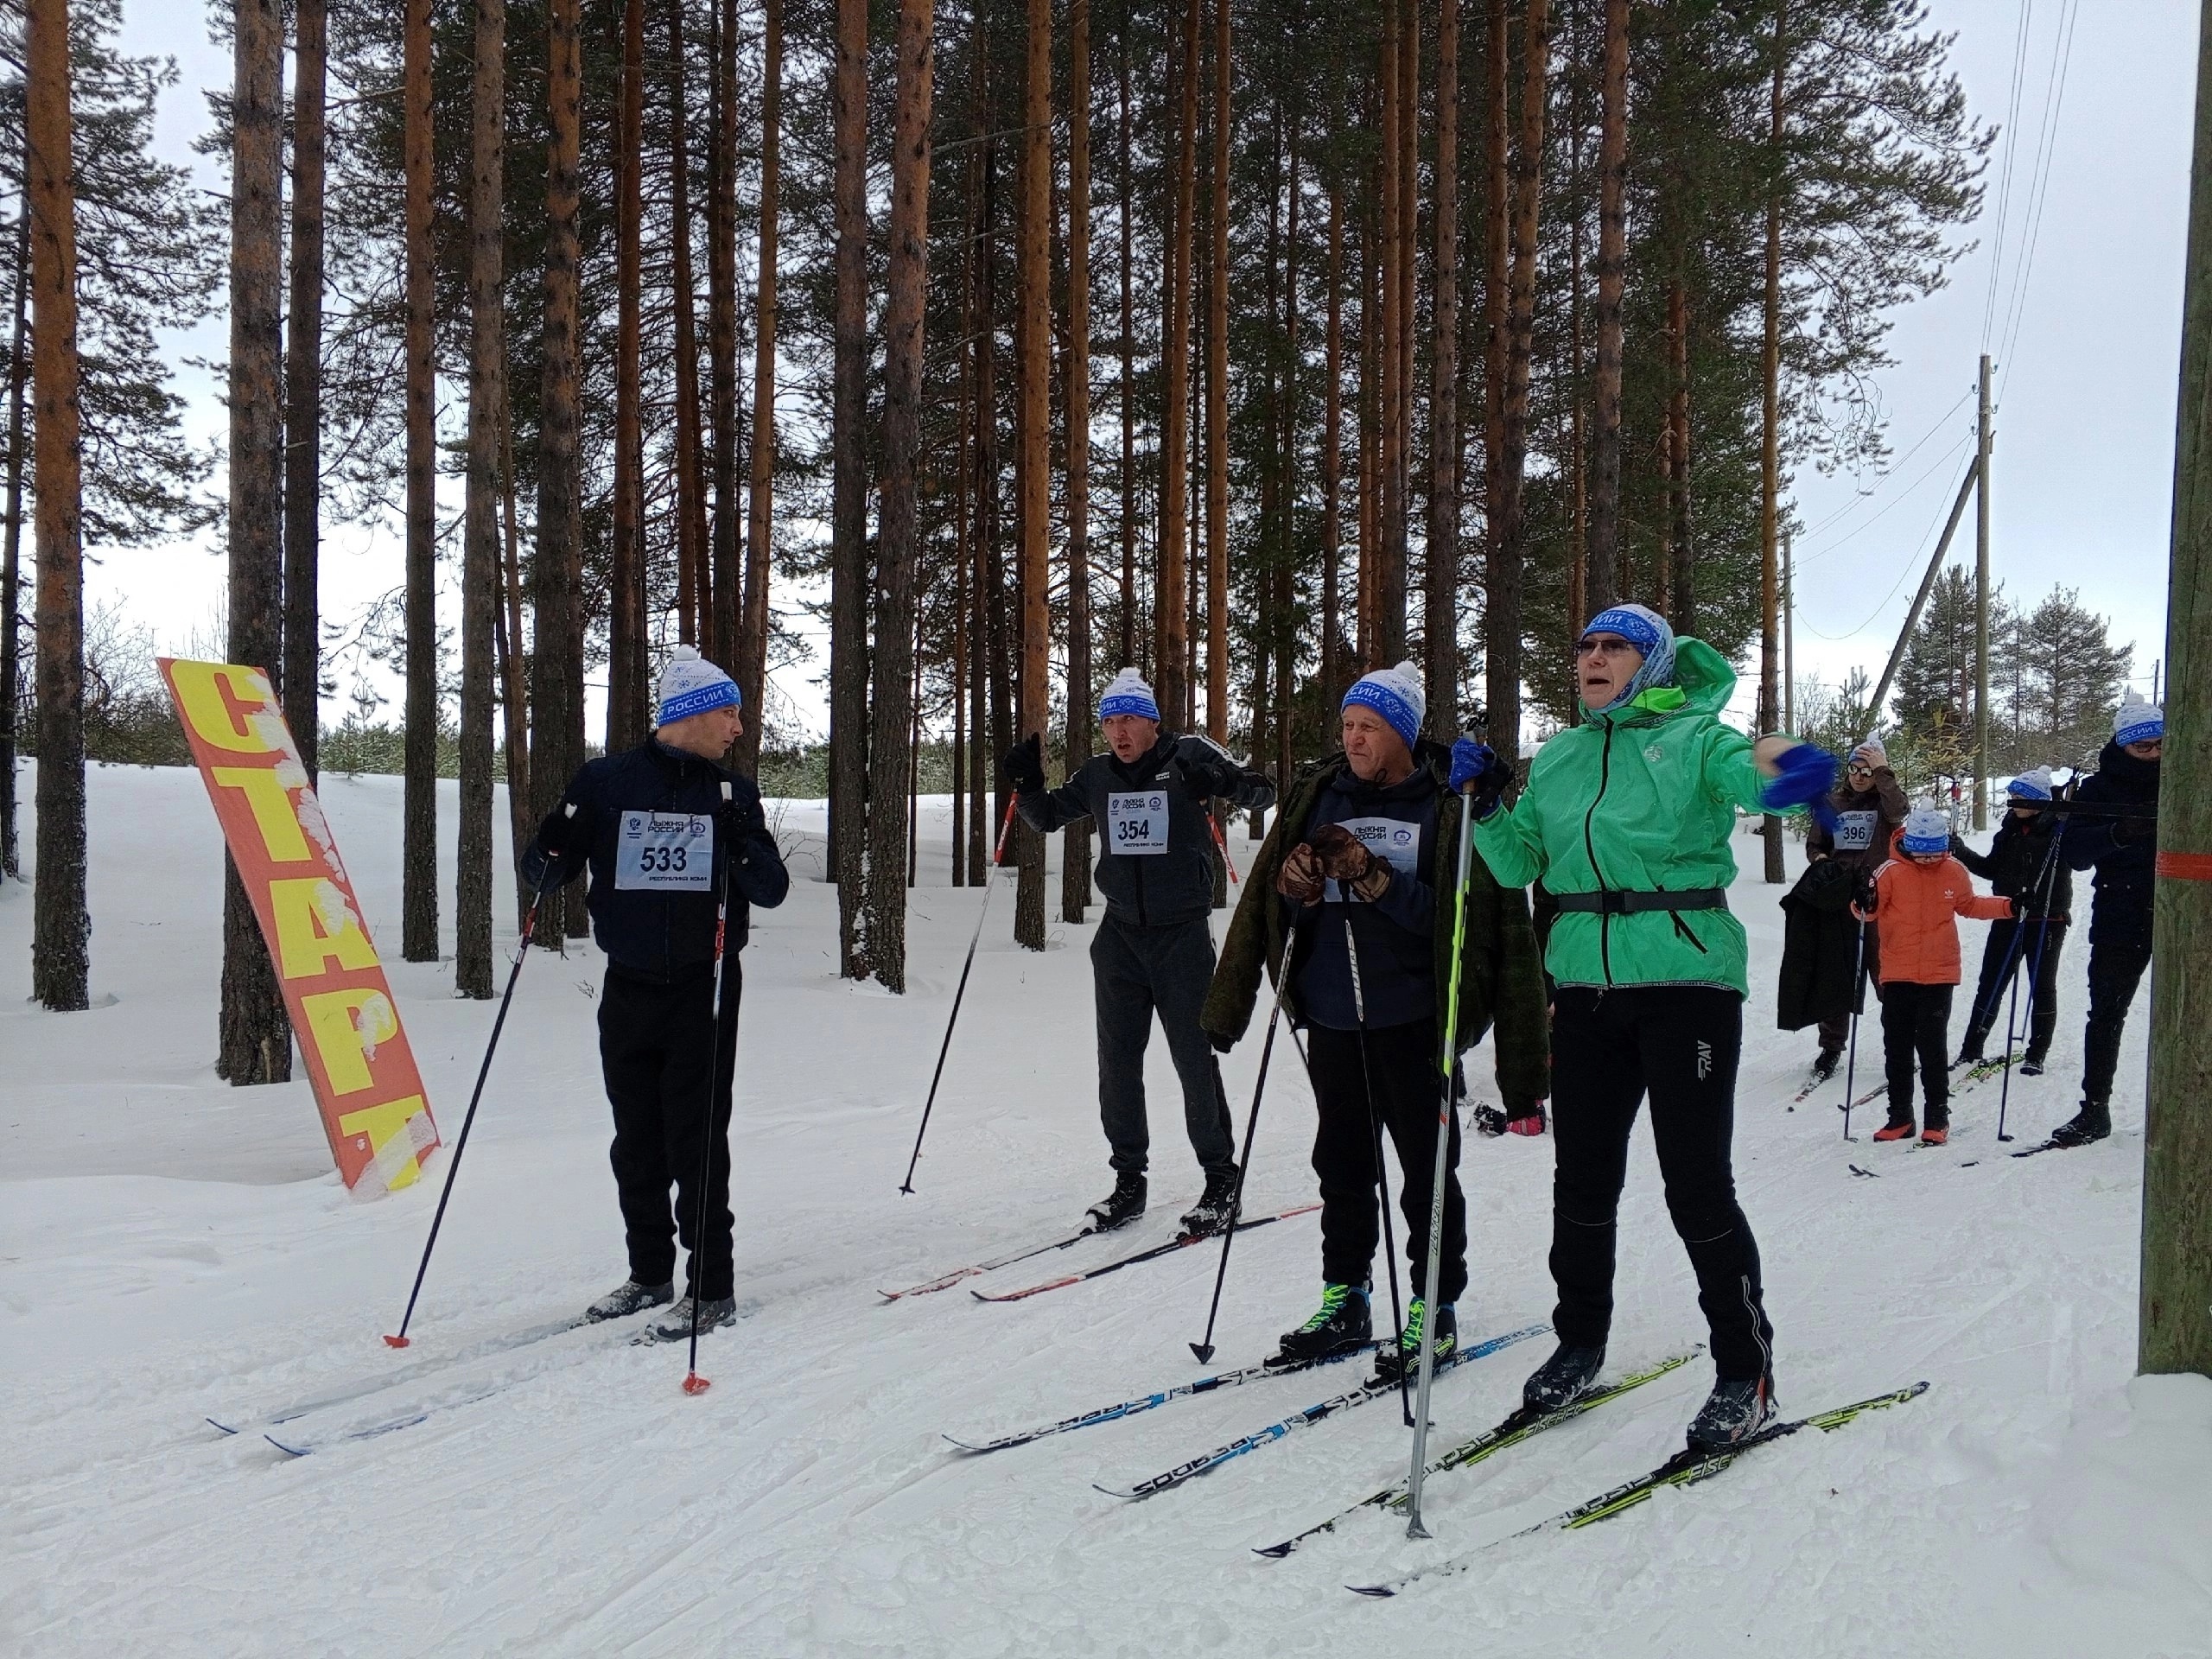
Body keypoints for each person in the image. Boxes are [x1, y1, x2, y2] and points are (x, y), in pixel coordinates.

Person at [1455, 604, 1839, 1451]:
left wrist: (1793, 765)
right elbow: (1522, 864)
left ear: (1652, 662)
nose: (1593, 657)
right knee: (1581, 1183)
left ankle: (1745, 1369)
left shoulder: (1697, 738)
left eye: (1613, 646)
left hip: (1684, 980)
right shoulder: (1557, 756)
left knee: (1694, 1184)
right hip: (1586, 985)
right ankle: (1578, 1342)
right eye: (1584, 644)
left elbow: (1759, 778)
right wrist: (1486, 806)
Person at [1202, 662, 1549, 1382]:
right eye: (1348, 726)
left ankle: (1434, 1306)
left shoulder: (1444, 803)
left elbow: (1454, 924)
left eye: (1369, 727)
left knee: (1426, 1168)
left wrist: (1377, 880)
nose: (1353, 738)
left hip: (1414, 1014)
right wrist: (1297, 890)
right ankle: (1347, 1296)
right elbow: (1274, 906)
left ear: (1402, 733)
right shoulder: (1321, 792)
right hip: (1331, 1011)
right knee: (1342, 1163)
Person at [521, 647, 790, 1341]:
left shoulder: (732, 795)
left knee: (698, 1137)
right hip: (629, 987)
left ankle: (712, 1287)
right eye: (729, 713)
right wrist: (546, 848)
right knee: (635, 1140)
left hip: (705, 986)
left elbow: (772, 889)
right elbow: (546, 877)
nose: (738, 728)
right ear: (691, 714)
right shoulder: (606, 783)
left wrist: (742, 846)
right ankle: (648, 1275)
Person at [1007, 668, 1276, 1236]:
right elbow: (1049, 816)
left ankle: (1220, 1179)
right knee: (1117, 1064)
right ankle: (1129, 1182)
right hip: (1121, 939)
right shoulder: (1099, 774)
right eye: (1109, 720)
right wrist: (1028, 786)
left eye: (1129, 718)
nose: (1118, 731)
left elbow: (1263, 791)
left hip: (1182, 938)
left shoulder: (1189, 755)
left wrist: (1222, 783)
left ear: (1152, 721)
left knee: (1192, 1061)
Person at [1853, 809, 2013, 1146]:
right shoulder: (1890, 870)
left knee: (1932, 1047)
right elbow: (1867, 911)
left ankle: (1937, 1117)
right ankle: (1900, 1117)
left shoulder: (1953, 870)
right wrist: (1862, 900)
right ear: (1909, 843)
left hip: (1939, 974)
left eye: (1934, 852)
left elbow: (1969, 905)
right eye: (1921, 851)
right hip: (1898, 973)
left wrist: (2009, 906)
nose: (1927, 859)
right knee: (1896, 1048)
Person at [2054, 701, 2163, 1147]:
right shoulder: (2097, 789)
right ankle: (2094, 1109)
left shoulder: (2191, 774)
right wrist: (2118, 834)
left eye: (2159, 743)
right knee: (2106, 1011)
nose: (2153, 752)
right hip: (2122, 909)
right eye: (2142, 745)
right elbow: (2073, 853)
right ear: (2122, 742)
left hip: (2189, 908)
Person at [1951, 768, 2071, 1074]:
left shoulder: (2058, 829)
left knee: (2041, 985)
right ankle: (1971, 1049)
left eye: (2020, 797)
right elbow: (1992, 869)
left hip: (2046, 918)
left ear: (2038, 800)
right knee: (1990, 982)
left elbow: (2076, 859)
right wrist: (1962, 852)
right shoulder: (2009, 829)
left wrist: (2069, 816)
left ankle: (2037, 1052)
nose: (2013, 803)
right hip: (2008, 914)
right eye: (2013, 796)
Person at [1802, 738, 1908, 1081]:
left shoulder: (1885, 803)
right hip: (1841, 899)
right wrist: (1820, 861)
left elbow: (1899, 811)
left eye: (1867, 771)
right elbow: (1816, 843)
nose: (1860, 777)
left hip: (1879, 898)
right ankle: (1831, 1047)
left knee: (1885, 973)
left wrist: (1883, 772)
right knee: (1836, 975)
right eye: (1854, 770)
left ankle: (1902, 1043)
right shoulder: (1833, 802)